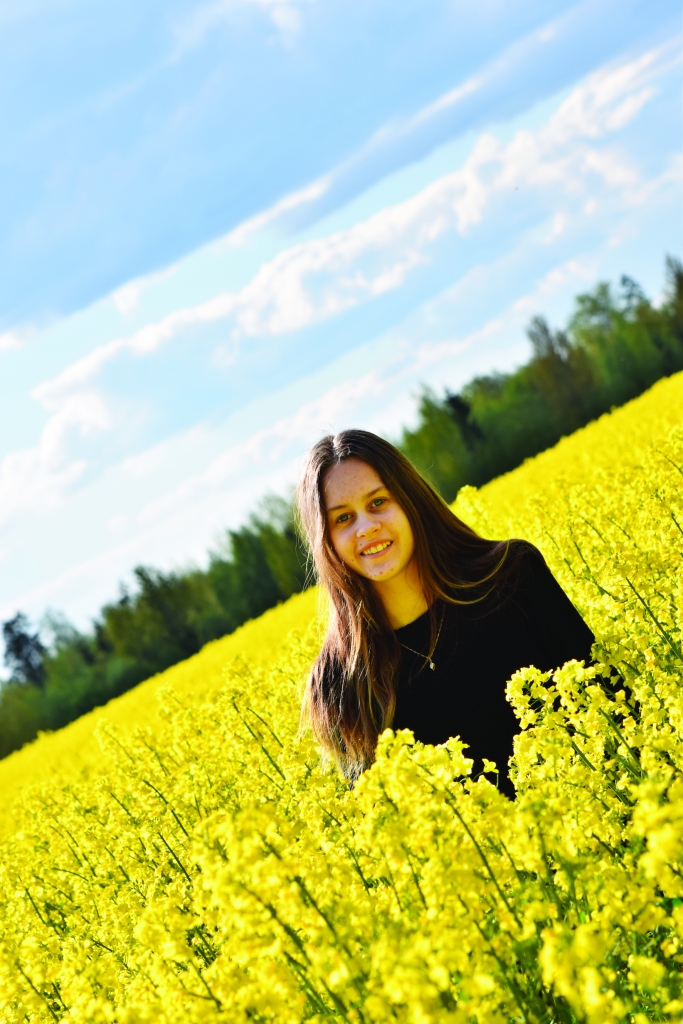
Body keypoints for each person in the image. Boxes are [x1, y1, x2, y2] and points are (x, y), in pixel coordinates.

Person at [296, 429, 595, 797]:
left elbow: (612, 704)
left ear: (409, 500)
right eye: (342, 519)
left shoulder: (512, 577)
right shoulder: (338, 683)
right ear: (326, 542)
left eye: (377, 503)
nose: (366, 527)